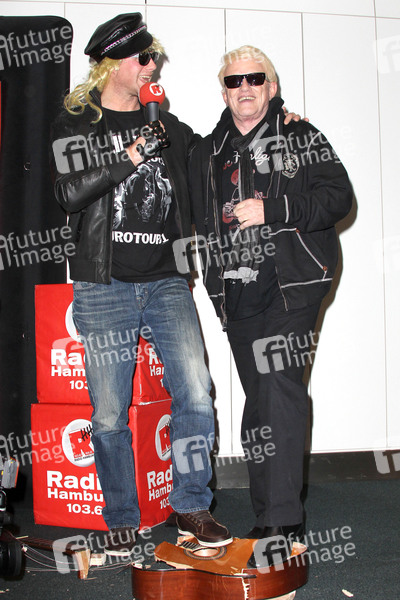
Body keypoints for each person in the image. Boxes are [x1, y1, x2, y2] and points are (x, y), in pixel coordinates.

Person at [50, 13, 233, 556]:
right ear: (114, 64)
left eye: (154, 56)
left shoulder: (168, 126)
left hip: (166, 281)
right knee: (108, 412)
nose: (153, 65)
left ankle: (192, 505)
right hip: (103, 283)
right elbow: (68, 193)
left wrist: (270, 119)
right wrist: (131, 153)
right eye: (144, 57)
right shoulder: (77, 121)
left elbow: (216, 156)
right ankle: (122, 520)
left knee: (196, 391)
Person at [189, 45, 353, 566]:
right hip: (237, 292)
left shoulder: (301, 135)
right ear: (224, 91)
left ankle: (281, 519)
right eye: (234, 80)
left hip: (294, 285)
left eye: (255, 78)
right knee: (259, 400)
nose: (245, 87)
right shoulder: (207, 151)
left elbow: (338, 198)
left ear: (272, 87)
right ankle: (268, 512)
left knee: (280, 389)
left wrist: (273, 208)